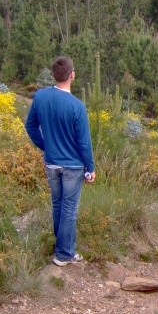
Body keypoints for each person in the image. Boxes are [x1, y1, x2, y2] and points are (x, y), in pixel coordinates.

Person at [25, 56, 96, 267]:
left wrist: (46, 146)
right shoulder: (77, 106)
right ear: (72, 75)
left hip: (52, 163)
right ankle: (64, 254)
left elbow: (30, 127)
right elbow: (84, 143)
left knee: (58, 204)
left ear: (55, 74)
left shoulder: (41, 97)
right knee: (69, 209)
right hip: (73, 166)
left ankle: (61, 246)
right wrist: (90, 168)